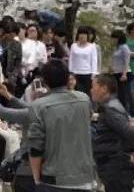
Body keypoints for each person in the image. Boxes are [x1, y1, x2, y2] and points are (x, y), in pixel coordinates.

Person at [27, 59, 95, 191]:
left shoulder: (39, 106)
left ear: (45, 81)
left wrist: (36, 178)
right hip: (85, 176)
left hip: (53, 178)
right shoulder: (84, 99)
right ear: (67, 78)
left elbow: (35, 147)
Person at [90, 75, 134, 192]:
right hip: (112, 167)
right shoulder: (108, 107)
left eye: (93, 86)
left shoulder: (111, 109)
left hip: (116, 167)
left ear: (104, 88)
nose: (91, 90)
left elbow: (131, 135)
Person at [0, 81, 35, 192]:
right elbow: (28, 108)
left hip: (31, 172)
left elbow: (0, 111)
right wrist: (8, 96)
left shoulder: (41, 111)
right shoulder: (57, 109)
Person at [68, 26, 98, 96]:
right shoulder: (73, 46)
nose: (82, 36)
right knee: (76, 94)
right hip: (75, 73)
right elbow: (71, 60)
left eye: (84, 34)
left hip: (87, 74)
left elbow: (94, 60)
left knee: (86, 94)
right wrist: (70, 72)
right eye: (80, 33)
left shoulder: (92, 46)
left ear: (87, 36)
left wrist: (93, 75)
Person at [20, 24, 47, 96]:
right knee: (25, 93)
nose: (32, 33)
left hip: (37, 73)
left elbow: (44, 60)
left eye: (34, 31)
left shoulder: (41, 45)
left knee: (37, 93)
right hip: (25, 73)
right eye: (30, 31)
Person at [109, 30, 131, 114]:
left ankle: (127, 112)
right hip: (116, 73)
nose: (113, 40)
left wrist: (124, 74)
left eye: (114, 38)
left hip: (123, 73)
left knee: (124, 95)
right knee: (118, 94)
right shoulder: (117, 48)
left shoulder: (124, 47)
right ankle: (120, 111)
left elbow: (127, 61)